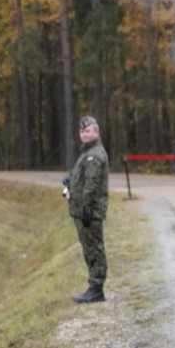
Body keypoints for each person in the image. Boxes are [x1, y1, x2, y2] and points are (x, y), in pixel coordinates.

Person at [68, 115, 109, 304]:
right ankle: (93, 286)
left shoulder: (95, 155)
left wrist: (86, 209)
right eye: (82, 132)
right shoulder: (86, 153)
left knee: (94, 249)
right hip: (82, 210)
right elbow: (82, 177)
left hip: (89, 212)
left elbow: (91, 186)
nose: (84, 135)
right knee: (89, 248)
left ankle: (96, 288)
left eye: (88, 131)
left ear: (96, 132)